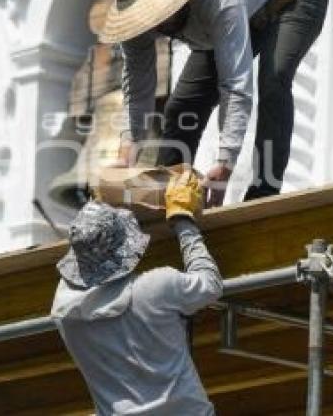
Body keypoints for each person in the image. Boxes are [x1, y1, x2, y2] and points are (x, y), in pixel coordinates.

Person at [97, 0, 329, 204]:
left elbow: (235, 85)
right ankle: (168, 198)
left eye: (159, 12)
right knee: (182, 107)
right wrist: (127, 154)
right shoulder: (136, 14)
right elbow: (137, 89)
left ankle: (263, 193)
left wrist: (225, 163)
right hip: (244, 8)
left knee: (273, 79)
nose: (157, 26)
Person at [51, 168, 222, 415]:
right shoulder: (155, 289)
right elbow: (210, 283)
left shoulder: (64, 313)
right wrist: (182, 219)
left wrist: (96, 208)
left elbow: (80, 268)